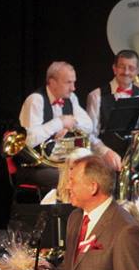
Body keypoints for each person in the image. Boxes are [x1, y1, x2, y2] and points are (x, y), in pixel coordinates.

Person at [17, 61, 94, 191]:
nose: (73, 88)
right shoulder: (36, 100)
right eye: (68, 82)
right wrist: (59, 122)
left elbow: (89, 126)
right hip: (34, 167)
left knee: (93, 171)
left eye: (73, 82)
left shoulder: (71, 98)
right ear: (52, 82)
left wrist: (70, 123)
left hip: (60, 162)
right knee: (71, 178)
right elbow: (29, 140)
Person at [85, 49, 139, 168]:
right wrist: (105, 152)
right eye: (122, 67)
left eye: (131, 68)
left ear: (137, 71)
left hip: (135, 159)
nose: (126, 72)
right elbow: (89, 134)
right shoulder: (96, 95)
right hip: (105, 160)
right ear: (114, 69)